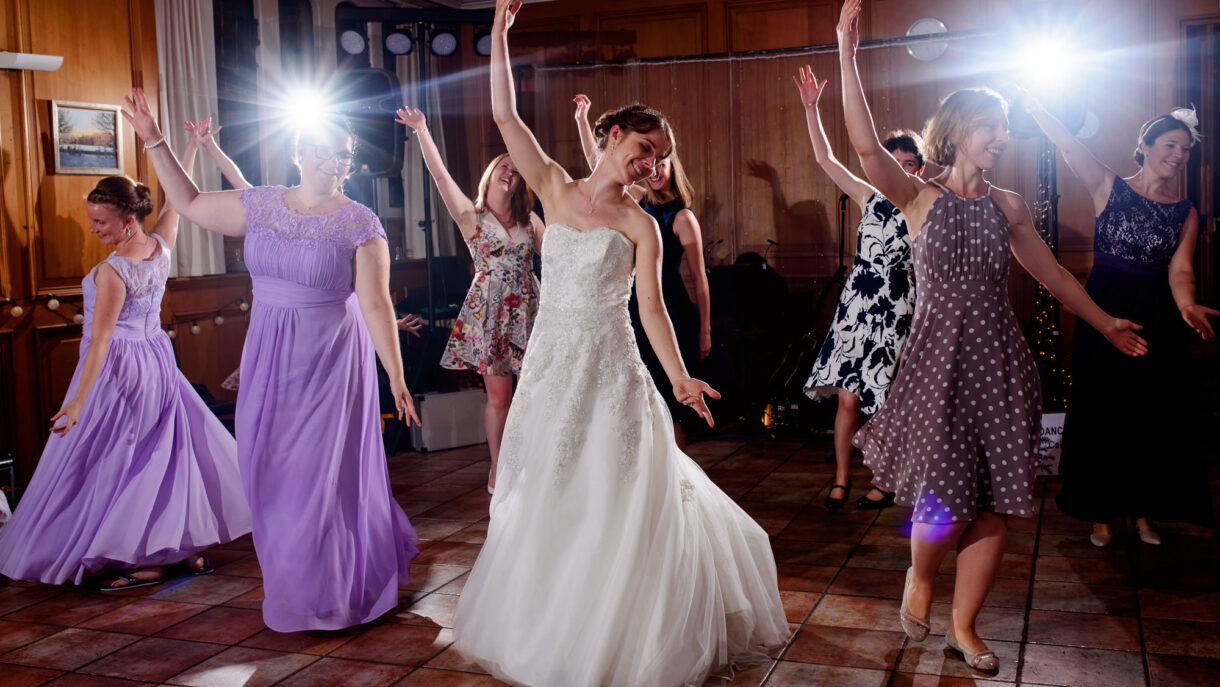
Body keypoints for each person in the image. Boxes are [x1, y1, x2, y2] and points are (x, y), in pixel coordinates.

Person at [452, 2, 788, 685]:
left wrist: (680, 378)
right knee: (556, 486)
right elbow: (506, 121)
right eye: (644, 149)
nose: (651, 164)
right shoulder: (552, 185)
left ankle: (619, 628)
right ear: (611, 136)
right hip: (552, 368)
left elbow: (655, 311)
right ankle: (553, 619)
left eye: (659, 158)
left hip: (612, 370)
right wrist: (497, 37)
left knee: (615, 491)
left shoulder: (644, 226)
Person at [837, 0, 1148, 672]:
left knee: (998, 502)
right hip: (938, 362)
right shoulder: (919, 195)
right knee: (945, 490)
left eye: (1005, 128)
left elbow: (1056, 278)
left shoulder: (1009, 205)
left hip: (1003, 365)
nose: (1001, 137)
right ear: (956, 131)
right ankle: (921, 575)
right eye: (990, 126)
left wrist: (1103, 321)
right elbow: (864, 148)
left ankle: (966, 627)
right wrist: (846, 49)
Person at [122, 89, 421, 632]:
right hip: (268, 354)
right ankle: (293, 579)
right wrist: (154, 139)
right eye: (326, 151)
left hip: (330, 362)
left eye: (345, 155)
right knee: (265, 469)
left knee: (317, 477)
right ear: (299, 153)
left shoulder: (359, 222)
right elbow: (187, 203)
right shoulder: (259, 205)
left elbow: (375, 303)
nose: (336, 162)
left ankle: (327, 592)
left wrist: (395, 377)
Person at [0, 160, 251, 589]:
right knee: (159, 456)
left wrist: (79, 399)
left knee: (123, 459)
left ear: (128, 220)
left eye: (101, 222)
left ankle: (144, 558)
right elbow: (177, 199)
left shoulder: (111, 273)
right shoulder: (159, 247)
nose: (93, 229)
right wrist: (188, 151)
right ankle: (178, 548)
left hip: (120, 369)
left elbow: (100, 343)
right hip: (157, 359)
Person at [1026, 100, 1218, 546]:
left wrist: (1187, 305)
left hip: (1158, 316)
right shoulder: (1109, 186)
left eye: (1186, 149)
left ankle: (1146, 511)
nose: (1180, 155)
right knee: (1103, 410)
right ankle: (1102, 513)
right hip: (1106, 311)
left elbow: (1181, 271)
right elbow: (1069, 147)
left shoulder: (1185, 210)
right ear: (1145, 147)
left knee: (1153, 414)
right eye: (1172, 144)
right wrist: (1036, 103)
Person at [792, 65, 922, 510]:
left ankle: (885, 480)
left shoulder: (923, 206)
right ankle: (843, 478)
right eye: (896, 163)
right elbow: (825, 159)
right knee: (847, 398)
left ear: (919, 170)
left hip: (899, 309)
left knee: (885, 398)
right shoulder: (869, 197)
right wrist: (812, 110)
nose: (901, 171)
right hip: (857, 306)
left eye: (910, 165)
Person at [396, 105, 543, 494]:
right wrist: (422, 130)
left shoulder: (531, 221)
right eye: (504, 166)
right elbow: (440, 176)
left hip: (530, 310)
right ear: (492, 172)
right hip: (491, 312)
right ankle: (498, 470)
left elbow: (561, 256)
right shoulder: (470, 216)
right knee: (499, 396)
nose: (509, 173)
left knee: (535, 392)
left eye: (516, 169)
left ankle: (534, 463)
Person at [575, 94, 712, 450]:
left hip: (670, 308)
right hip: (632, 306)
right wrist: (582, 121)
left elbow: (700, 279)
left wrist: (705, 328)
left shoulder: (682, 218)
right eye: (649, 158)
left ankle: (674, 464)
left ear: (670, 169)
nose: (653, 168)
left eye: (662, 162)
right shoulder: (633, 202)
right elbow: (602, 163)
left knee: (668, 399)